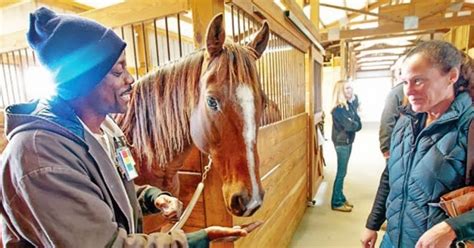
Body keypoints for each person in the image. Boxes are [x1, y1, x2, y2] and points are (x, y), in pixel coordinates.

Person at [0, 7, 255, 247]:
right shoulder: (40, 157)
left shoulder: (107, 129)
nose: (131, 79)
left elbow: (115, 187)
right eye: (118, 71)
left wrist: (151, 197)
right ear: (84, 79)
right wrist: (196, 240)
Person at [361, 40, 474, 248]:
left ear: (452, 76)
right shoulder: (406, 121)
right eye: (405, 82)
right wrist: (373, 223)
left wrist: (454, 227)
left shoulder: (469, 127)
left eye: (418, 81)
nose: (409, 91)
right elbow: (391, 176)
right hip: (393, 240)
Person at [330, 80, 362, 212]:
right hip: (342, 142)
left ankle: (341, 197)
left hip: (348, 141)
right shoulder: (338, 109)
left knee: (343, 172)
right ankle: (336, 202)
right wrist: (355, 124)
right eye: (347, 88)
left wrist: (355, 123)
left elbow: (358, 124)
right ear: (341, 92)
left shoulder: (348, 106)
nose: (351, 91)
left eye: (351, 88)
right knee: (341, 173)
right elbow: (351, 126)